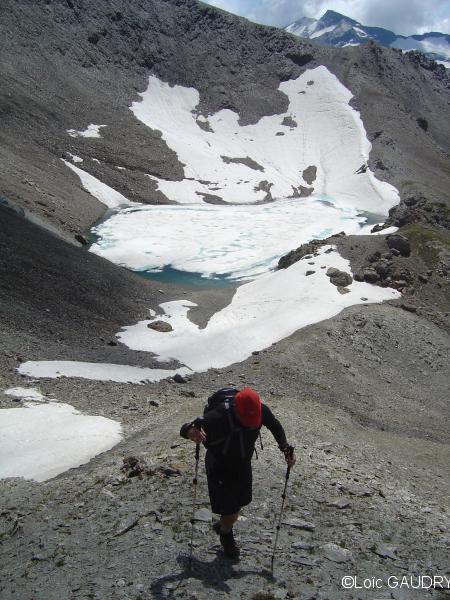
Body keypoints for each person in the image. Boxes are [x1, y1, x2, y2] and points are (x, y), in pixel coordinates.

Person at [180, 387, 295, 559]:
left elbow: (275, 426)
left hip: (242, 463)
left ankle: (224, 523)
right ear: (236, 410)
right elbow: (186, 428)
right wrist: (190, 431)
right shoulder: (219, 414)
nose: (251, 423)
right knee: (232, 512)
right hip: (219, 464)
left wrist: (285, 448)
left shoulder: (261, 410)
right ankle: (226, 534)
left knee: (242, 501)